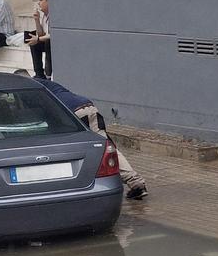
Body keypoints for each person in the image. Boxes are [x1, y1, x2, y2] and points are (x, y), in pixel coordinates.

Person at [17, 71, 148, 199]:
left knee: (70, 150)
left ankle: (76, 186)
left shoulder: (29, 90)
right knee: (106, 147)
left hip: (72, 114)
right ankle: (136, 182)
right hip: (87, 106)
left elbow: (40, 115)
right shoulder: (45, 82)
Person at [27, 0, 51, 79]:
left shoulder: (54, 15)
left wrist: (38, 39)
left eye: (41, 0)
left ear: (48, 2)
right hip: (47, 42)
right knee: (34, 43)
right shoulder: (45, 15)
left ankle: (49, 73)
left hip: (55, 44)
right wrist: (36, 20)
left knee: (47, 42)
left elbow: (52, 35)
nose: (38, 3)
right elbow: (41, 34)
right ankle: (39, 74)